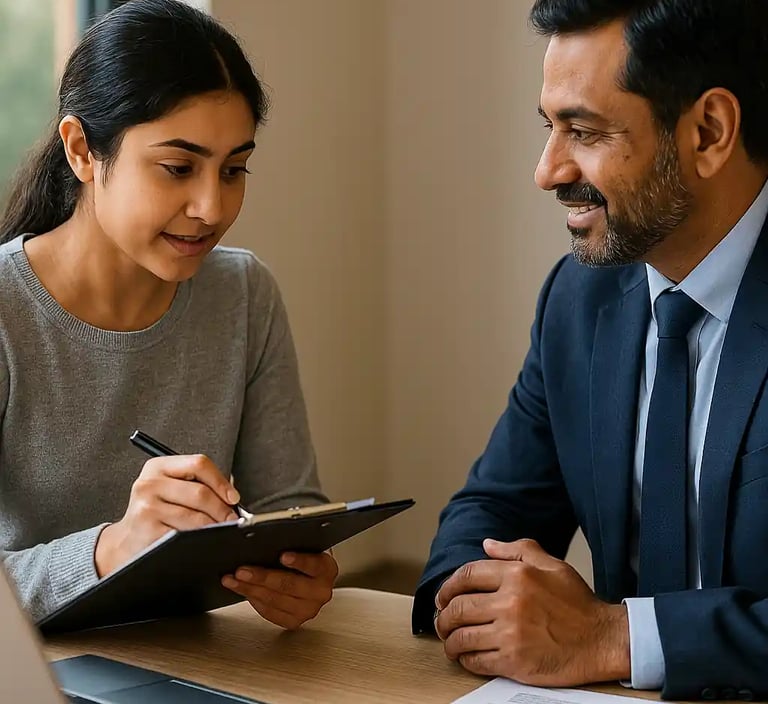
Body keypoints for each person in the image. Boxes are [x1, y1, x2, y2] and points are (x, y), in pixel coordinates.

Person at [412, 1, 768, 700]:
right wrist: (496, 604)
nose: (546, 171)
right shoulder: (580, 299)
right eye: (550, 128)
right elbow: (486, 516)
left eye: (584, 130)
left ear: (709, 131)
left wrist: (611, 638)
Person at [0, 0, 338, 630]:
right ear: (81, 152)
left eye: (234, 169)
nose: (211, 206)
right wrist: (111, 550)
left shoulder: (243, 294)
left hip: (195, 664)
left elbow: (291, 506)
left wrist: (298, 572)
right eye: (178, 168)